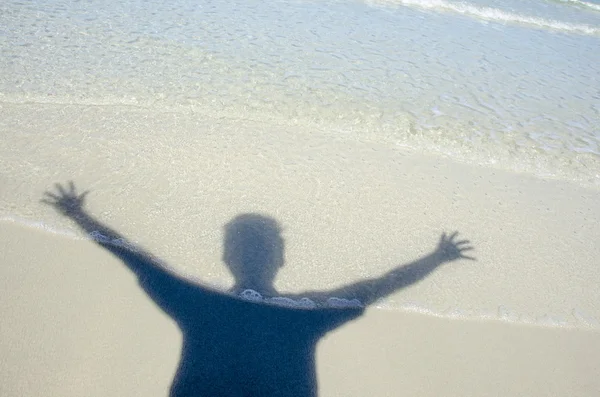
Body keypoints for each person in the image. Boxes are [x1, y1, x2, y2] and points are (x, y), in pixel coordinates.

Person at [43, 181, 474, 397]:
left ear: (281, 256)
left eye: (261, 243)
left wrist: (435, 259)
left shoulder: (301, 309)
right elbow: (133, 255)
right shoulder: (206, 302)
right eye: (242, 243)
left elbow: (377, 286)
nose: (251, 250)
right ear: (227, 257)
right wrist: (81, 217)